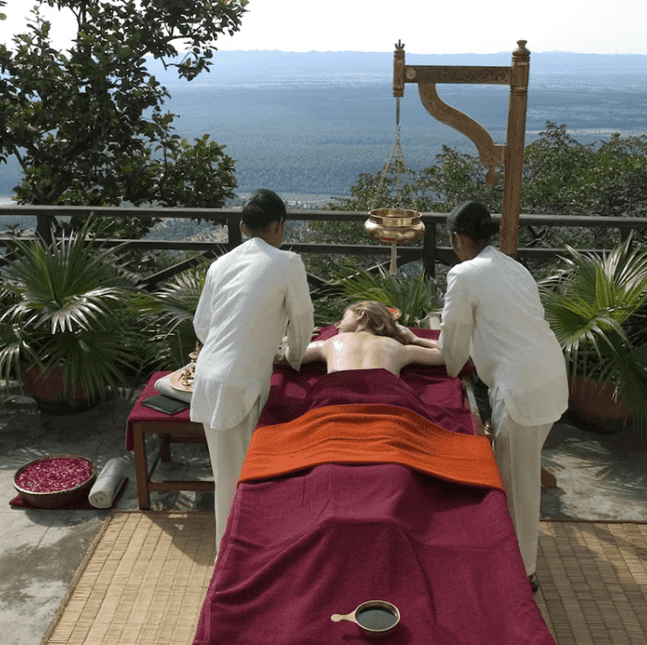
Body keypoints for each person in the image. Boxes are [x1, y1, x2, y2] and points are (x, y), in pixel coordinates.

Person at [437, 200, 568, 593]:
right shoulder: (515, 266)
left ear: (459, 239)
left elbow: (453, 351)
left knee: (518, 485)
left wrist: (433, 353)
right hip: (550, 376)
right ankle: (510, 557)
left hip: (521, 389)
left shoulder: (464, 273)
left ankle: (522, 574)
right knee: (517, 474)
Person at [191, 189, 315, 548]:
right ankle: (230, 570)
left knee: (227, 480)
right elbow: (303, 321)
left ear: (244, 226)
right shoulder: (287, 262)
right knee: (239, 487)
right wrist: (291, 357)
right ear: (278, 225)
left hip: (211, 377)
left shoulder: (221, 264)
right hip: (238, 384)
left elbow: (203, 326)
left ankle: (235, 561)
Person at [292, 300, 443, 375]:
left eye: (342, 319)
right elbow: (449, 355)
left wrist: (294, 337)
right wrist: (416, 339)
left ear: (362, 316)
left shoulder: (330, 343)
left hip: (337, 394)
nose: (337, 326)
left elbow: (283, 356)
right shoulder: (399, 348)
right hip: (386, 398)